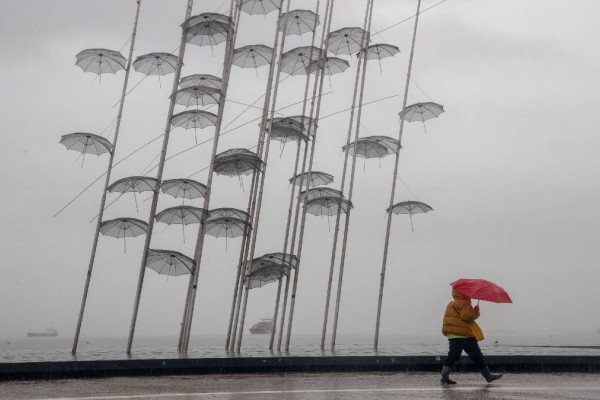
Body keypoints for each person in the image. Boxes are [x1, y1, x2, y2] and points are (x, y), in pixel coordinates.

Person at [440, 290, 503, 384]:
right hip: (464, 335)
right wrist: (476, 311)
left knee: (453, 356)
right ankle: (488, 376)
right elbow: (467, 317)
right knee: (477, 355)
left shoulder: (450, 303)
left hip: (453, 335)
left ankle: (444, 377)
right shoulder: (464, 302)